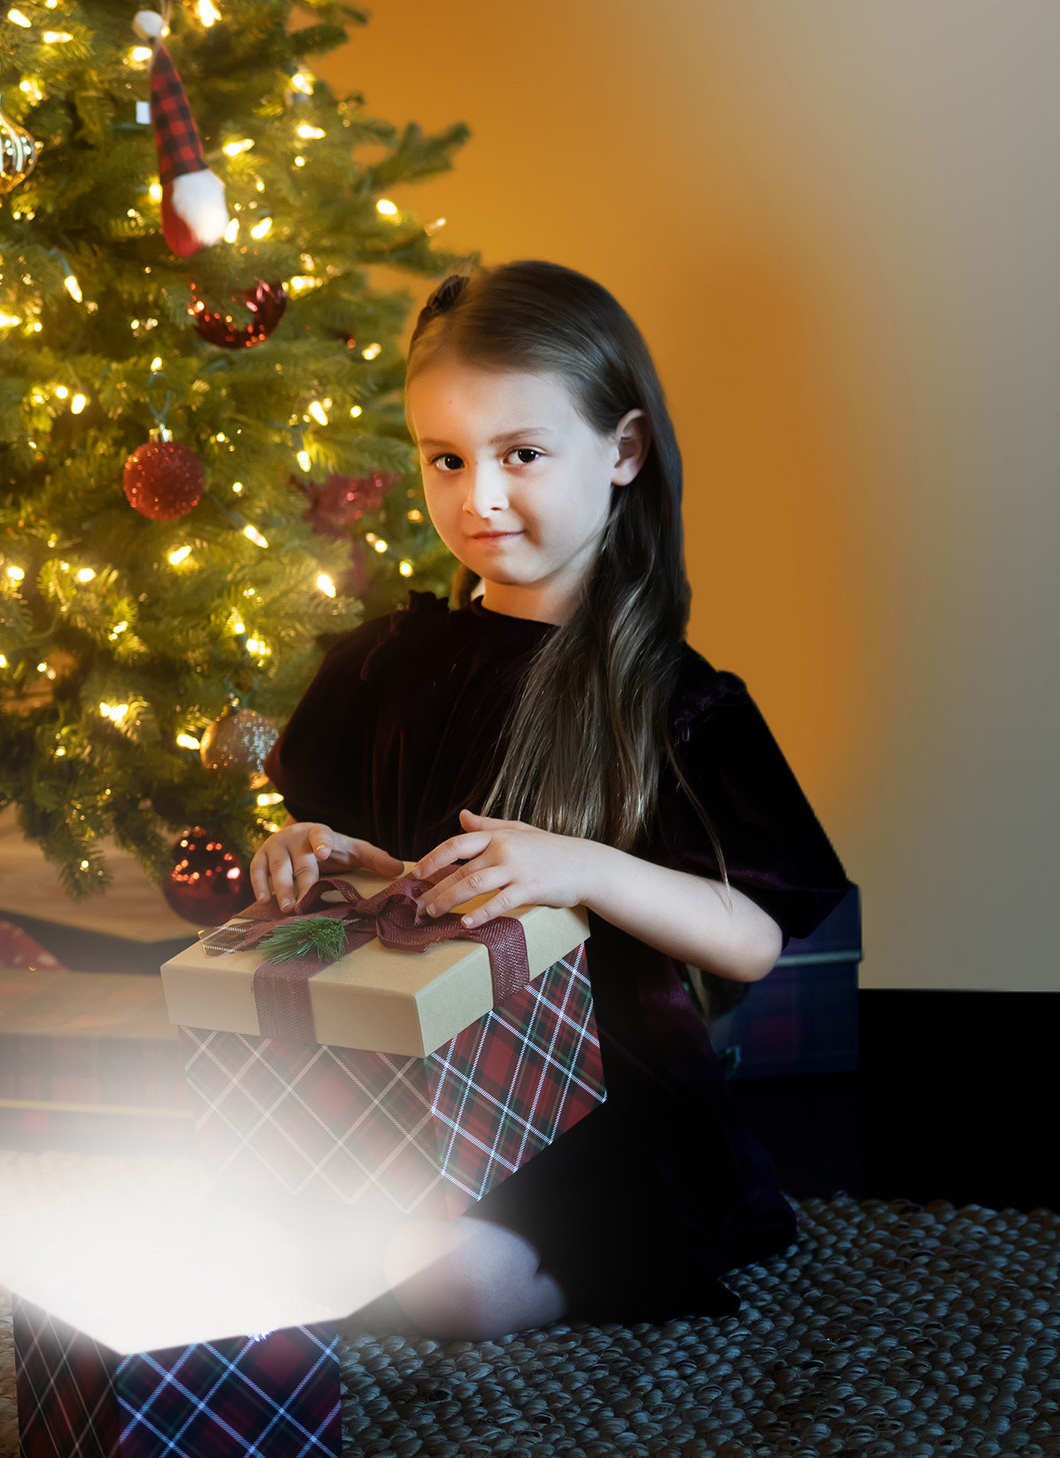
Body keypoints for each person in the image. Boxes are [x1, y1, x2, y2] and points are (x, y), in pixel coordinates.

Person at [256, 260, 850, 1339]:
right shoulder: (386, 659)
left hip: (590, 1096)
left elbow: (751, 939)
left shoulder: (672, 700)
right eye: (446, 459)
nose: (477, 497)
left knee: (452, 1283)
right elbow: (378, 868)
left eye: (520, 454)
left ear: (620, 451)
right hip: (410, 1060)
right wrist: (312, 850)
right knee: (255, 1207)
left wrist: (580, 865)